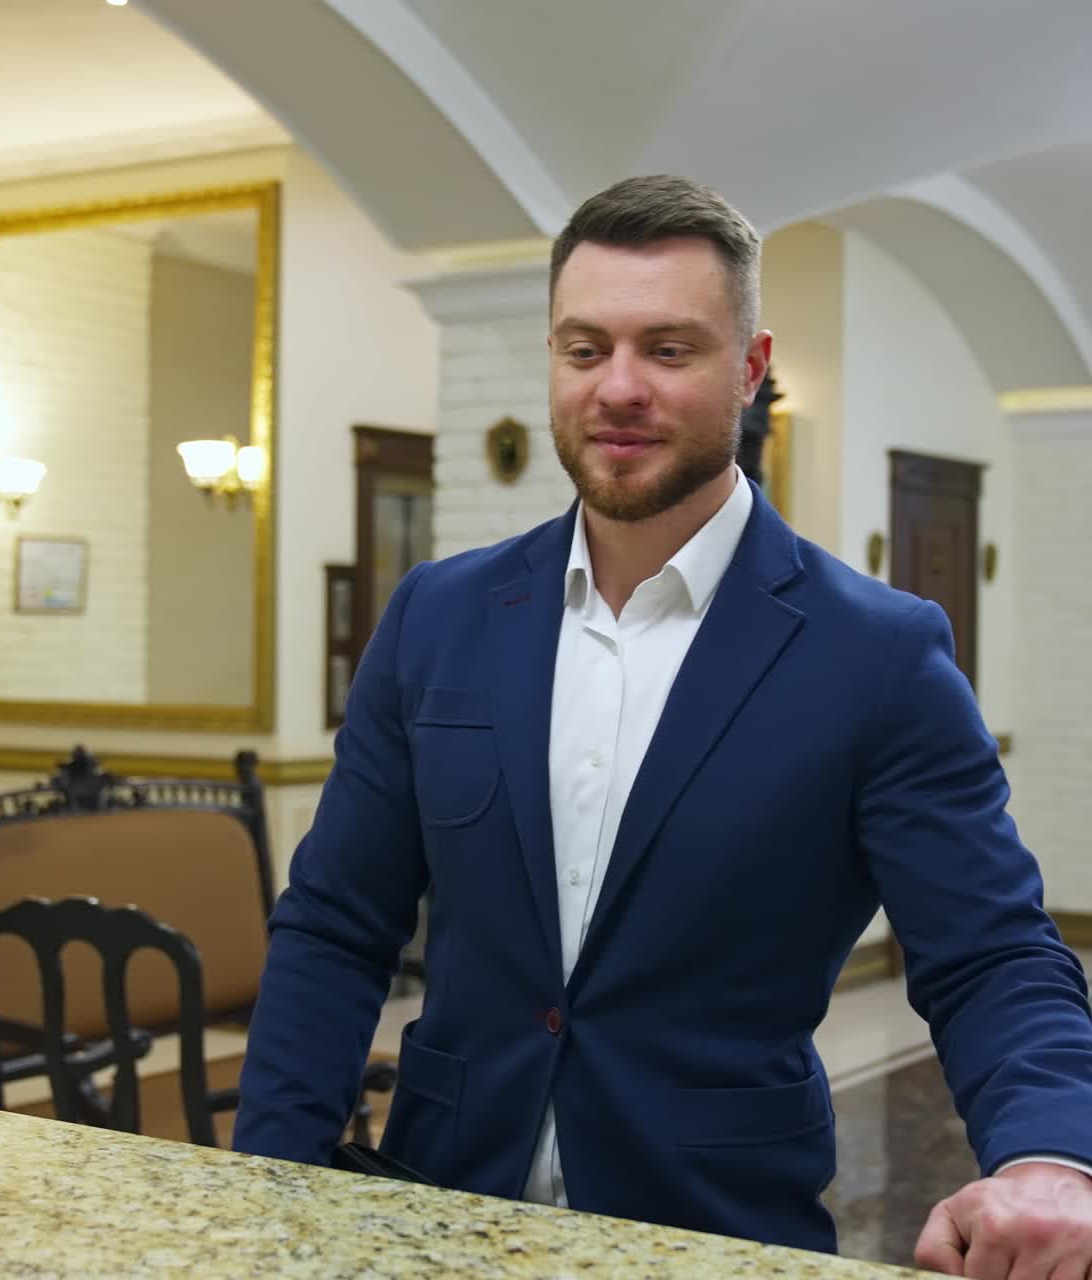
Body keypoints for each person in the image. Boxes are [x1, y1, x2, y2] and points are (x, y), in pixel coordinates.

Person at [233, 174, 1092, 1275]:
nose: (617, 388)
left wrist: (1049, 1155)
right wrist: (266, 1181)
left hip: (713, 1226)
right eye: (583, 349)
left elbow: (988, 955)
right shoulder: (438, 616)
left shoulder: (874, 653)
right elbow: (336, 923)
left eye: (668, 349)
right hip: (440, 1218)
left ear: (748, 366)